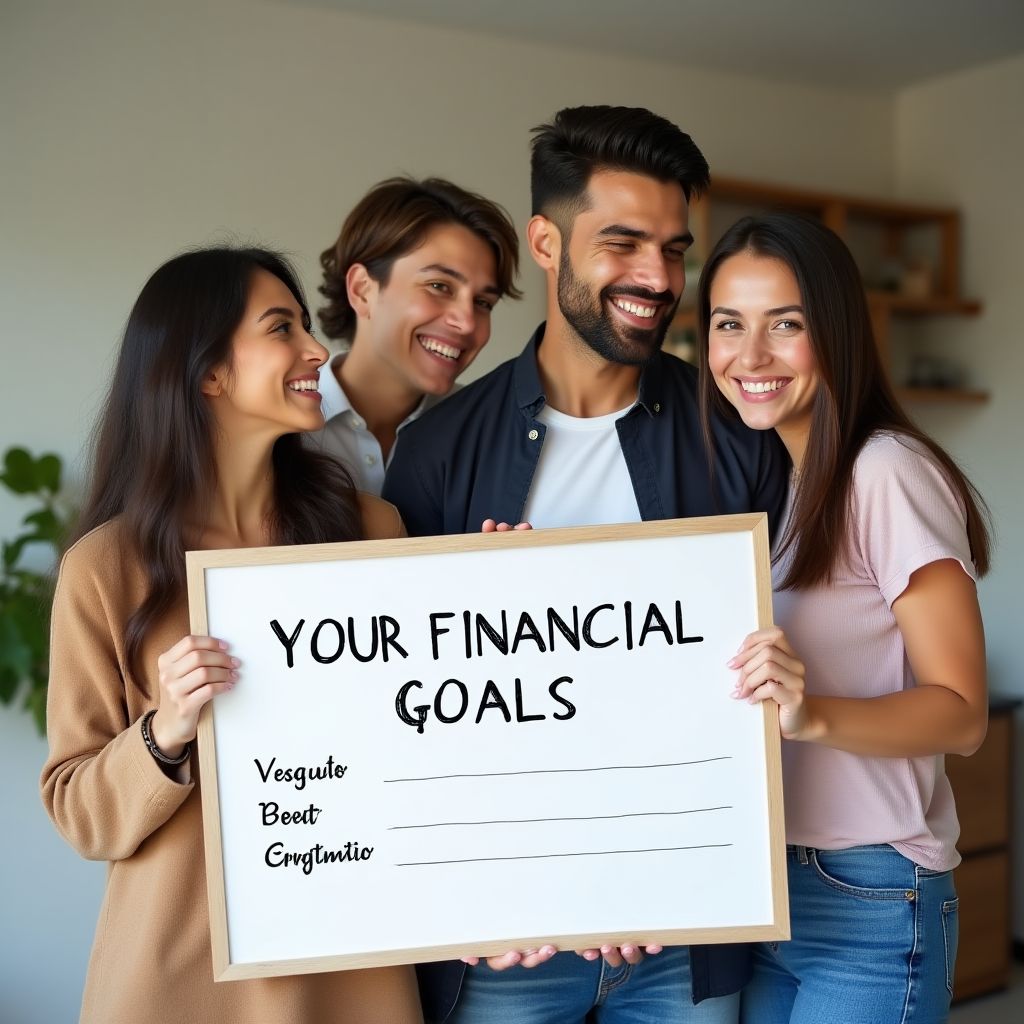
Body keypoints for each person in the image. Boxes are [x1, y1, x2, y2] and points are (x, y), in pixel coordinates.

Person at [383, 105, 789, 1024]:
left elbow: (778, 663)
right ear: (546, 243)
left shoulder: (737, 435)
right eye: (623, 243)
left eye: (675, 249)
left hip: (687, 934)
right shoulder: (435, 450)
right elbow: (403, 714)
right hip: (502, 944)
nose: (657, 278)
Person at [40, 247, 423, 1024]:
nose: (318, 351)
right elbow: (78, 809)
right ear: (208, 372)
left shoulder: (372, 534)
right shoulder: (105, 569)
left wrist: (497, 589)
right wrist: (164, 732)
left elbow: (428, 739)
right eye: (283, 328)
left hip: (353, 971)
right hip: (178, 981)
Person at [697, 213, 989, 1024]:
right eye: (729, 324)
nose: (749, 357)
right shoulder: (781, 486)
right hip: (767, 885)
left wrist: (812, 713)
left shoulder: (884, 469)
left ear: (835, 332)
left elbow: (963, 716)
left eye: (784, 325)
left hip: (867, 887)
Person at [311, 176, 521, 493]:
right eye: (439, 286)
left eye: (482, 303)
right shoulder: (284, 428)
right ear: (362, 290)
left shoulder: (489, 432)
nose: (466, 322)